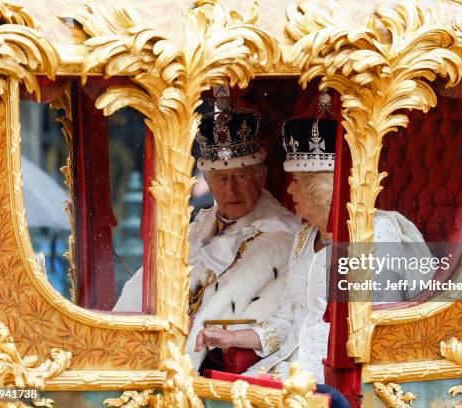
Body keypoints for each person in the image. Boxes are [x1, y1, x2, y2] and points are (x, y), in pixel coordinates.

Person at [194, 96, 433, 407]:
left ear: (320, 188)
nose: (289, 190)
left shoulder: (375, 232)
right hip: (287, 370)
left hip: (338, 381)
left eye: (296, 182)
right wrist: (233, 337)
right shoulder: (305, 236)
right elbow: (288, 320)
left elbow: (377, 333)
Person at [114, 96, 300, 371]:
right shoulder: (196, 228)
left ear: (260, 177)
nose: (231, 190)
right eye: (222, 180)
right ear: (209, 184)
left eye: (240, 177)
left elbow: (276, 320)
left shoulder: (284, 236)